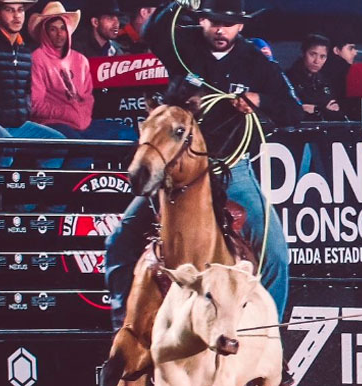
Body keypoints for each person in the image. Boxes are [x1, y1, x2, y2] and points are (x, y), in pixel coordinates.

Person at [106, 0, 302, 338]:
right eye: (213, 21)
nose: (220, 30)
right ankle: (124, 328)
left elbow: (293, 111)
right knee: (120, 238)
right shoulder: (183, 45)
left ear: (241, 27)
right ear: (201, 22)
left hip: (229, 167)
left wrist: (259, 100)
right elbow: (152, 29)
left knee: (275, 256)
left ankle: (268, 339)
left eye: (228, 23)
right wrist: (181, 3)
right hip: (176, 171)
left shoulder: (256, 64)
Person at [0, 0, 68, 169]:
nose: (17, 16)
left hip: (14, 124)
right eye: (10, 10)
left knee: (57, 144)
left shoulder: (25, 51)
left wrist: (25, 110)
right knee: (5, 144)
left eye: (20, 10)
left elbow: (26, 90)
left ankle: (39, 192)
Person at [28, 2, 137, 141]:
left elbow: (87, 97)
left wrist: (81, 115)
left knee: (126, 133)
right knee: (79, 146)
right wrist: (69, 113)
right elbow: (36, 105)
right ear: (45, 31)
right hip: (52, 123)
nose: (59, 34)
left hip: (82, 123)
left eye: (63, 28)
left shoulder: (80, 59)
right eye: (53, 29)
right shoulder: (37, 58)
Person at [287, 34, 344, 121]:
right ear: (303, 53)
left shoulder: (324, 81)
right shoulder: (288, 79)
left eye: (322, 57)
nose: (317, 61)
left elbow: (335, 110)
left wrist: (316, 109)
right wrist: (323, 109)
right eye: (313, 54)